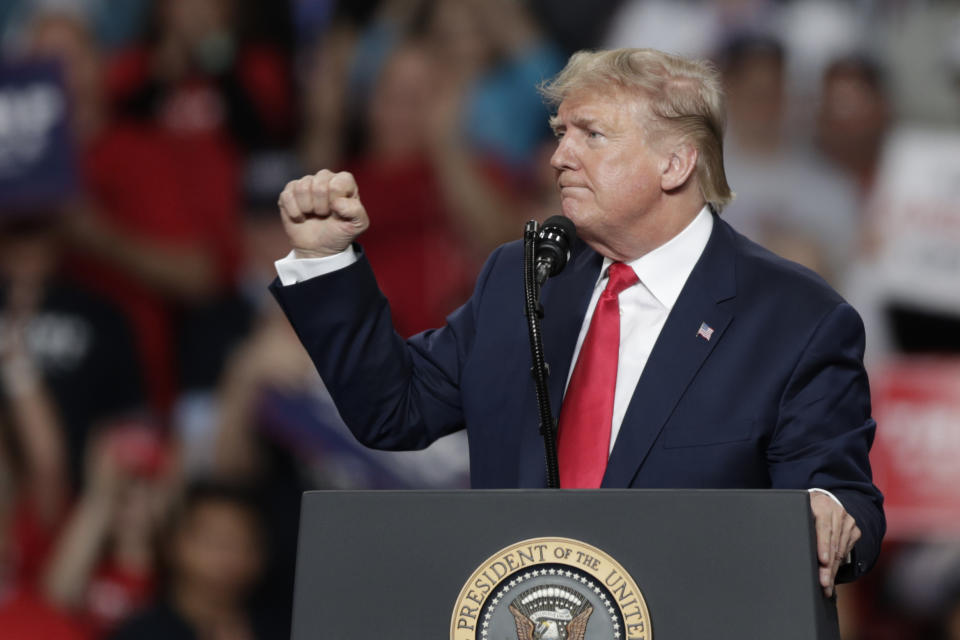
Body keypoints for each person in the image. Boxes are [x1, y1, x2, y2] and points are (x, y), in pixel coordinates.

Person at [269, 48, 884, 598]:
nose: (558, 157)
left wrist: (825, 509)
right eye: (560, 132)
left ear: (674, 164)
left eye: (591, 135)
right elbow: (392, 408)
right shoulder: (523, 277)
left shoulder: (795, 317)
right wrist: (326, 261)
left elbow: (835, 490)